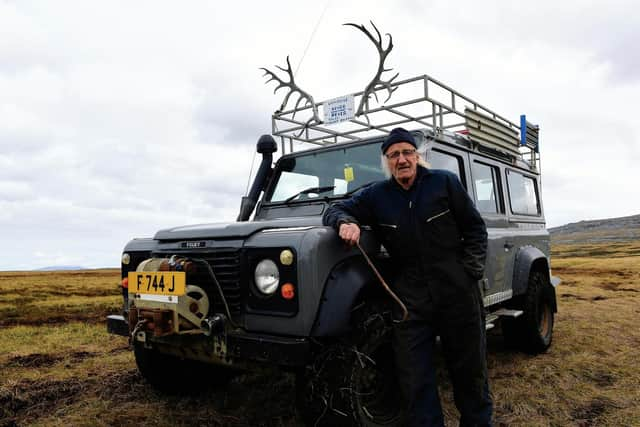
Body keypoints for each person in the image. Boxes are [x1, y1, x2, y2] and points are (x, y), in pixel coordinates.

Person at [323, 127, 493, 427]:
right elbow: (334, 208)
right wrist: (346, 222)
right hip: (410, 301)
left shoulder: (445, 183)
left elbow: (476, 229)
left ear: (417, 156)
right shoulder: (377, 195)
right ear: (386, 162)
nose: (401, 159)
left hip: (457, 293)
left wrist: (470, 272)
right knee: (416, 380)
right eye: (394, 155)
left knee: (470, 374)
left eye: (407, 152)